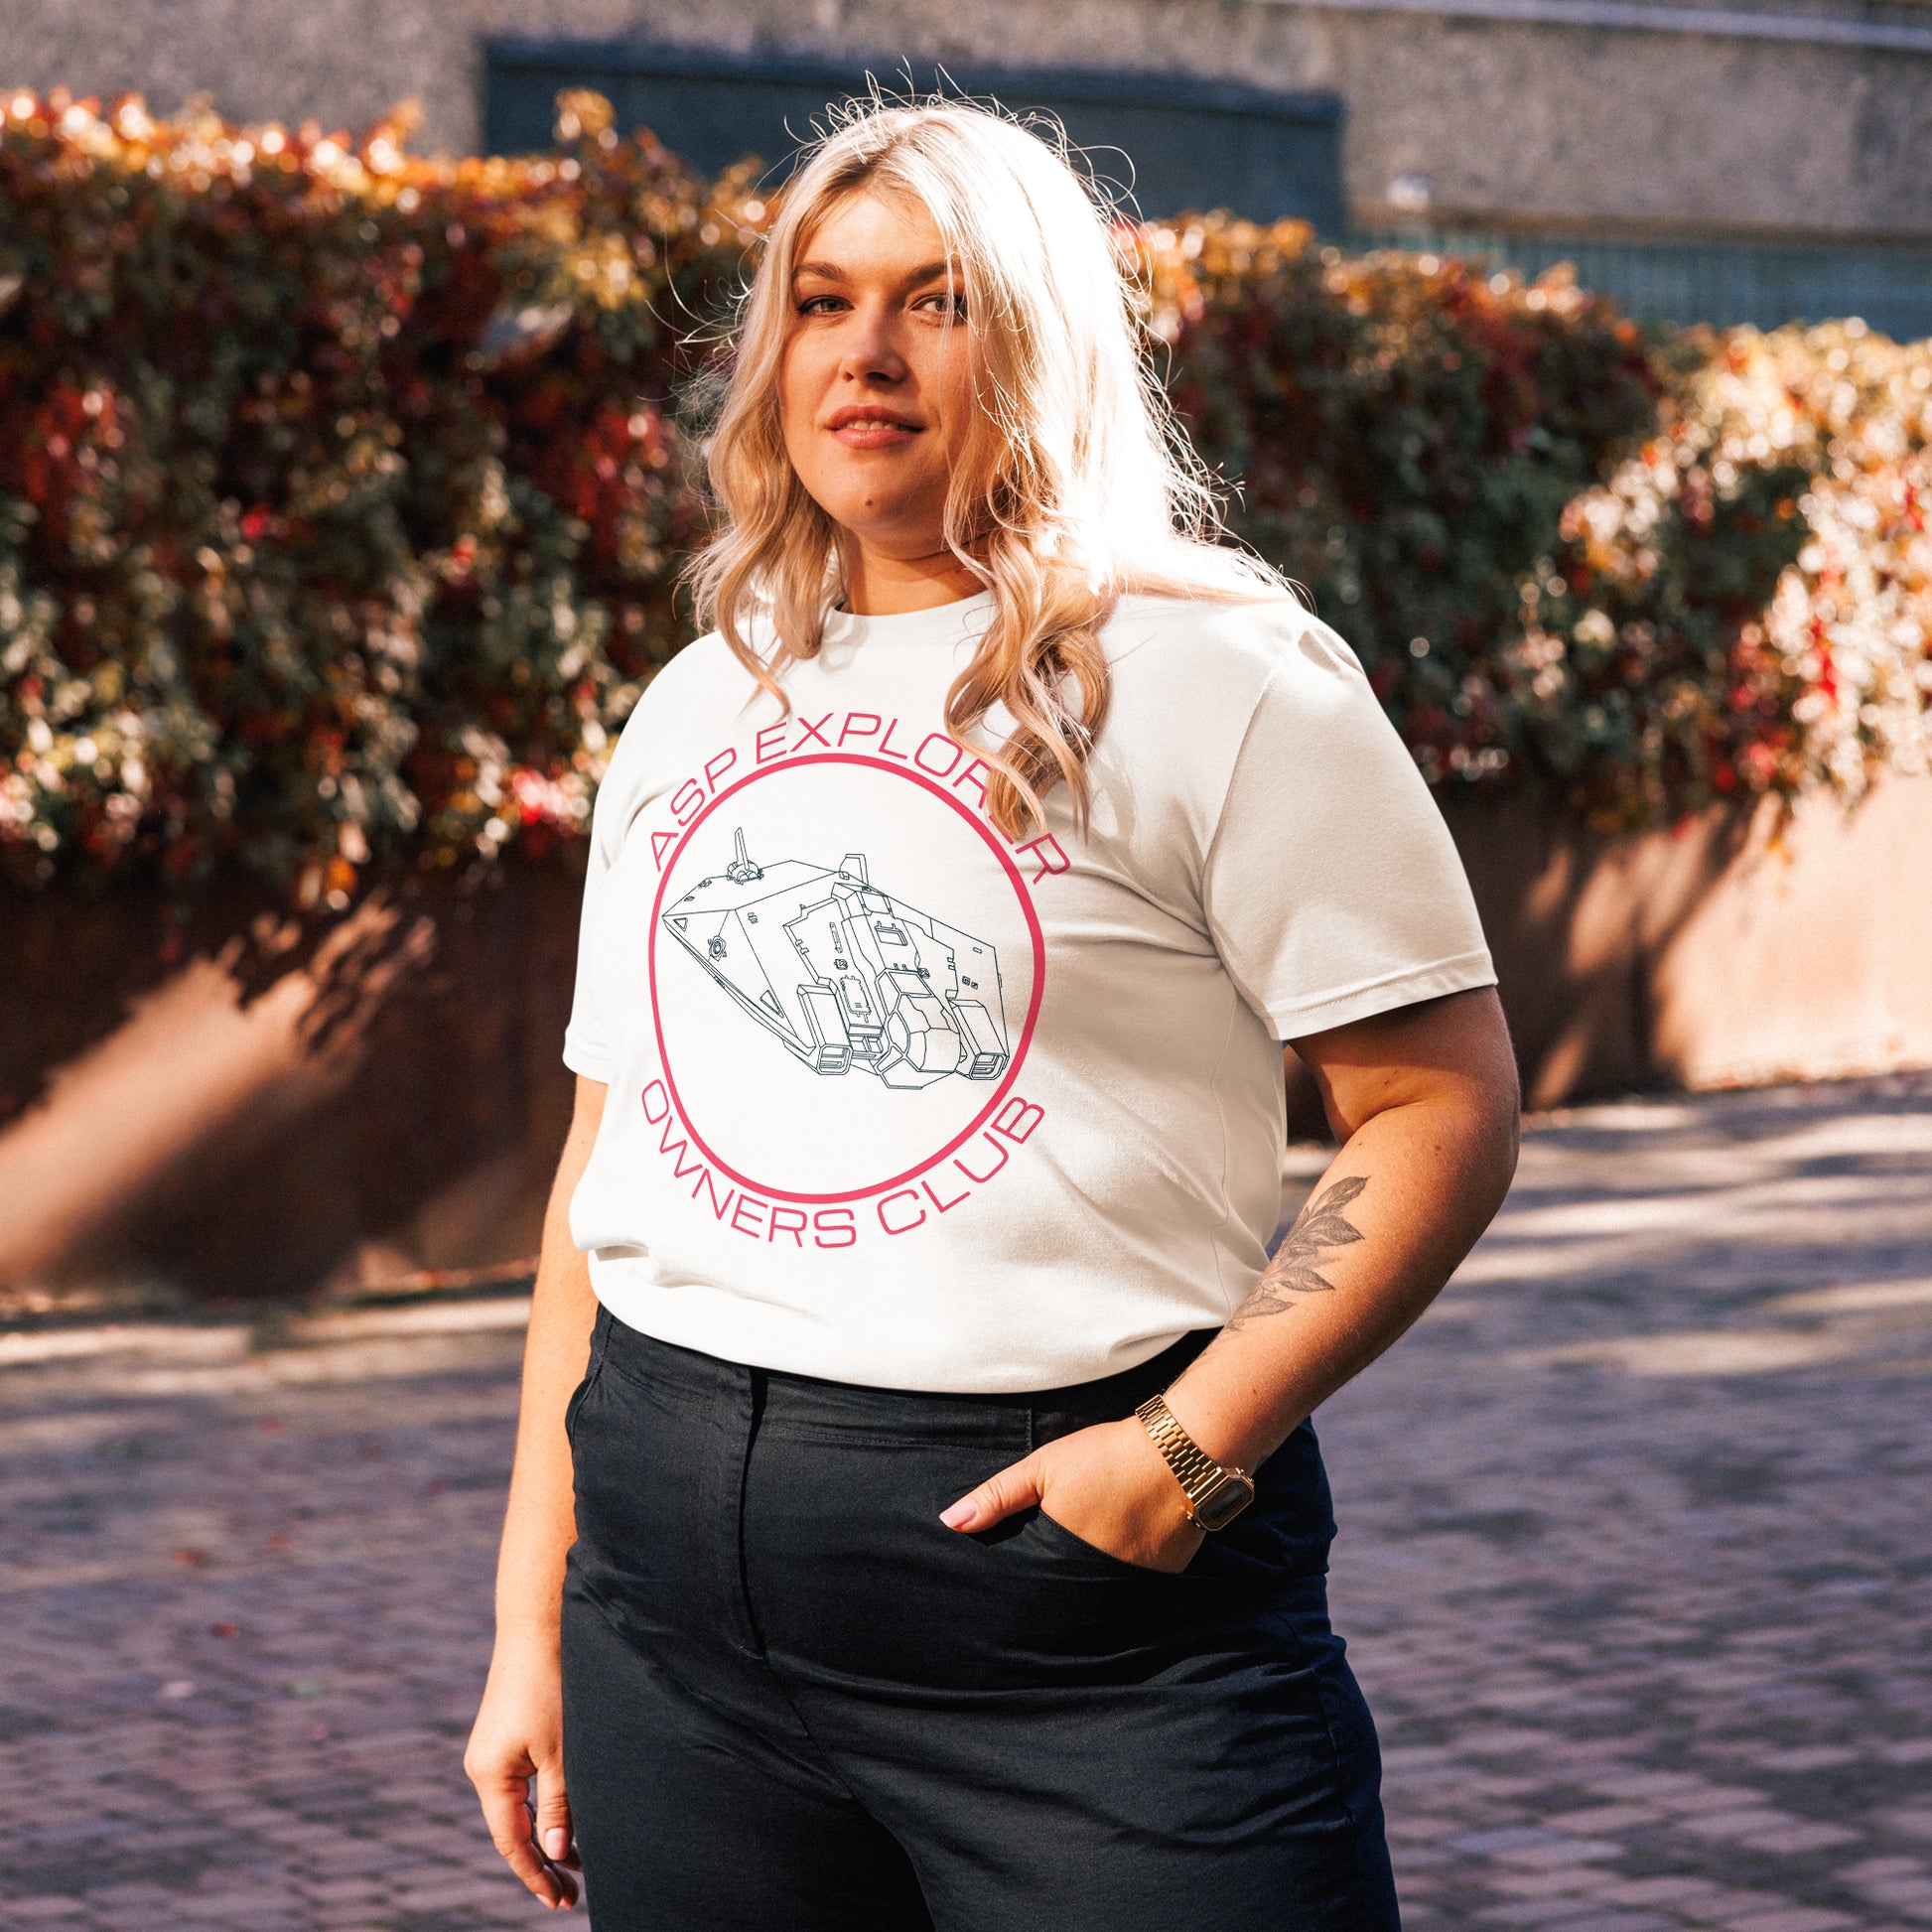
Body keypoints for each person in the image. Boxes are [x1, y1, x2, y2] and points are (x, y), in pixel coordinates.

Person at [465, 95, 1520, 1930]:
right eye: (819, 300)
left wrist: (1187, 1454)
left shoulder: (1219, 675)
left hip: (1085, 1627)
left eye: (934, 301)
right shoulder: (693, 704)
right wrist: (529, 1620)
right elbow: (602, 1170)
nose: (863, 353)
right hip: (675, 1620)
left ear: (1035, 340)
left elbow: (1438, 1105)